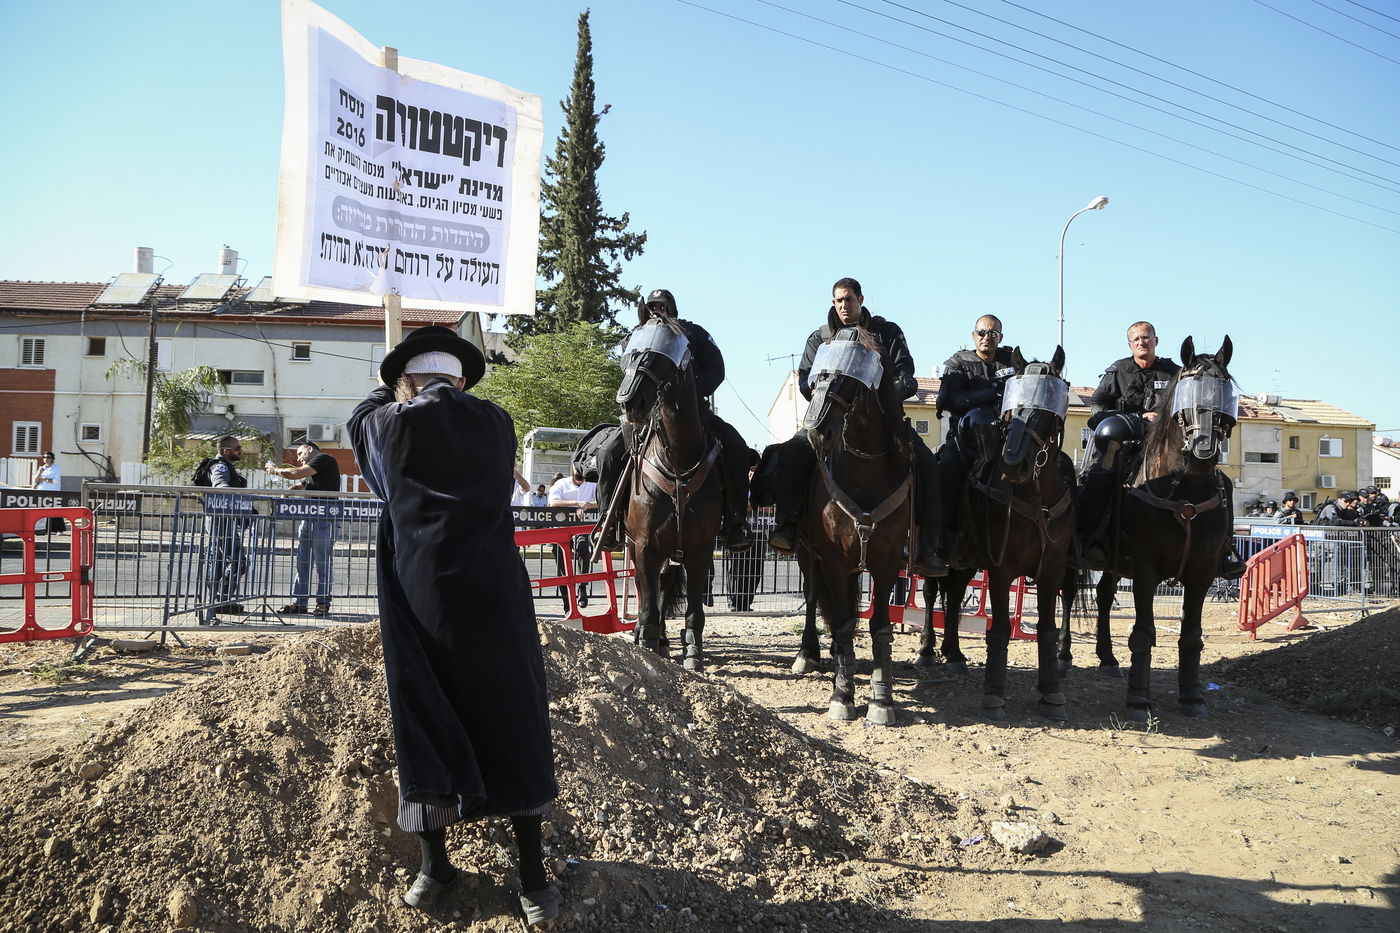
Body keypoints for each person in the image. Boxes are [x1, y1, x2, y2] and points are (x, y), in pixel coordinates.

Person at [347, 324, 559, 923]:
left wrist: (391, 388)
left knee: (427, 713)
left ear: (407, 383)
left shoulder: (387, 423)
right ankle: (533, 880)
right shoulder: (497, 423)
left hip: (424, 597)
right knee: (511, 714)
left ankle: (433, 866)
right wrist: (411, 384)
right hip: (495, 592)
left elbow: (363, 423)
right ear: (461, 380)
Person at [756, 277, 946, 577]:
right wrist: (826, 392)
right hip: (830, 418)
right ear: (833, 303)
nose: (844, 305)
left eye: (849, 299)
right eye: (838, 300)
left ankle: (926, 544)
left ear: (861, 299)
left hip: (884, 424)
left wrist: (876, 399)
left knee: (928, 464)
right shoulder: (820, 338)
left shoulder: (886, 332)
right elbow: (806, 379)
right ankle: (788, 524)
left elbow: (906, 377)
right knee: (793, 452)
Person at [1079, 321, 1246, 579]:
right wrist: (1136, 418)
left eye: (1146, 337)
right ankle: (1093, 540)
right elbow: (1098, 409)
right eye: (1136, 339)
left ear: (1156, 340)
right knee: (1098, 477)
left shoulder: (1175, 373)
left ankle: (1224, 549)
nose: (1141, 342)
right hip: (1126, 444)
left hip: (1171, 446)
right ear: (1129, 344)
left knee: (1222, 481)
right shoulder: (1117, 372)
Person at [592, 288, 753, 553]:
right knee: (608, 453)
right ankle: (608, 524)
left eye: (662, 305)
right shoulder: (635, 336)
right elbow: (627, 368)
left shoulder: (693, 333)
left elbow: (716, 370)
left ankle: (736, 523)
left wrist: (689, 390)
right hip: (644, 413)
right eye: (652, 306)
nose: (657, 309)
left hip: (690, 412)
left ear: (672, 307)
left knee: (736, 446)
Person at [935, 315, 1016, 558]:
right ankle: (939, 539)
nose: (986, 338)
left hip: (1007, 439)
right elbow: (955, 400)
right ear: (973, 335)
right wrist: (992, 389)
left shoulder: (1012, 361)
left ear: (1000, 337)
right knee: (944, 471)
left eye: (992, 333)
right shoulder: (958, 363)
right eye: (982, 332)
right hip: (965, 440)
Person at [266, 442, 342, 617]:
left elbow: (296, 473)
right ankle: (299, 603)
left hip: (324, 519)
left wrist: (275, 470)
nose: (299, 458)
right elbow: (304, 485)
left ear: (310, 449)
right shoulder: (313, 470)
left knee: (322, 564)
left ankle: (323, 603)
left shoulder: (324, 459)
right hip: (309, 518)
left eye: (300, 454)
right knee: (303, 563)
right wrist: (291, 491)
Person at [203, 435, 251, 616]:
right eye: (238, 448)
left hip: (222, 519)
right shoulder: (220, 466)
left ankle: (218, 600)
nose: (240, 451)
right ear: (226, 451)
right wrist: (236, 498)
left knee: (220, 561)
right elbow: (219, 484)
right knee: (238, 561)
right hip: (221, 520)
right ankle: (222, 600)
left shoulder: (226, 466)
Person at [549, 466, 597, 608]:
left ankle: (582, 587)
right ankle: (567, 602)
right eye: (577, 471)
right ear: (572, 469)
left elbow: (602, 502)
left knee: (583, 549)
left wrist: (586, 506)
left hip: (581, 528)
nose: (580, 475)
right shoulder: (561, 483)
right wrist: (577, 504)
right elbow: (553, 502)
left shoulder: (592, 484)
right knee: (562, 564)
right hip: (561, 529)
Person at [32, 451, 65, 534]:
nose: (46, 459)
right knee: (41, 510)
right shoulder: (42, 468)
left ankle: (59, 529)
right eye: (44, 457)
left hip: (52, 491)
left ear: (52, 459)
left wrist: (44, 479)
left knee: (55, 510)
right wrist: (40, 472)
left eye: (48, 457)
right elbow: (35, 480)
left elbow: (56, 481)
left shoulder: (56, 468)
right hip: (41, 491)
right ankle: (43, 529)